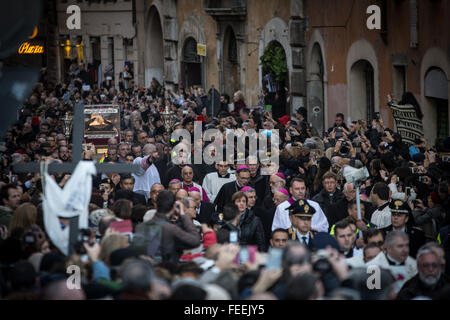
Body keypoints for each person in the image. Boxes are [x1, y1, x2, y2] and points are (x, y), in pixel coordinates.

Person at [132, 191, 201, 263]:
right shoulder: (169, 228)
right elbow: (195, 241)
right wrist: (183, 215)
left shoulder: (140, 226)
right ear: (173, 207)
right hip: (164, 270)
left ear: (156, 206)